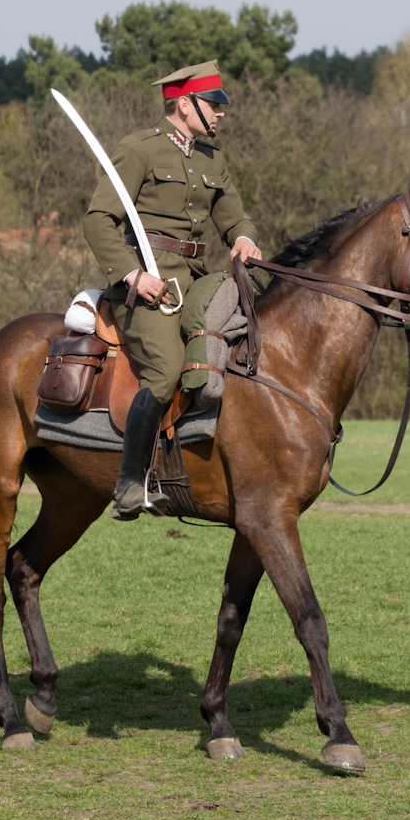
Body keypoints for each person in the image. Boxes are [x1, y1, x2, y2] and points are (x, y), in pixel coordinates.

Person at [84, 59, 262, 521]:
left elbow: (233, 216)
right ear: (184, 105)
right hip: (146, 285)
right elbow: (98, 219)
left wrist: (243, 236)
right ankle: (129, 485)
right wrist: (132, 275)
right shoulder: (139, 149)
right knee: (164, 374)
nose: (221, 113)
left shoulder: (212, 159)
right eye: (213, 105)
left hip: (197, 282)